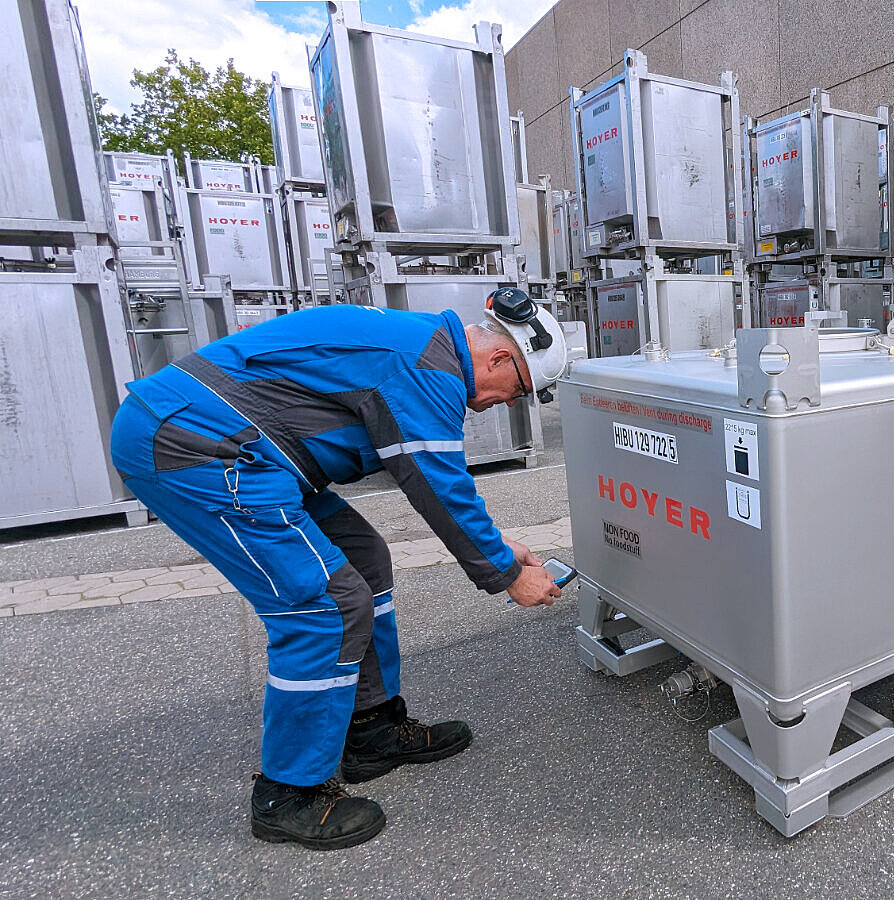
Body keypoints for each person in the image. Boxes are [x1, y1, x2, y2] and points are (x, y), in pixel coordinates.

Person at [109, 287, 567, 851]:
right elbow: (440, 487)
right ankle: (287, 794)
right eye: (518, 391)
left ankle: (372, 729)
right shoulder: (428, 367)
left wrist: (500, 548)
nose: (505, 403)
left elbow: (439, 487)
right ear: (499, 359)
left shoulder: (421, 345)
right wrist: (506, 574)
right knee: (323, 605)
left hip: (251, 451)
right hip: (200, 448)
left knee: (363, 557)